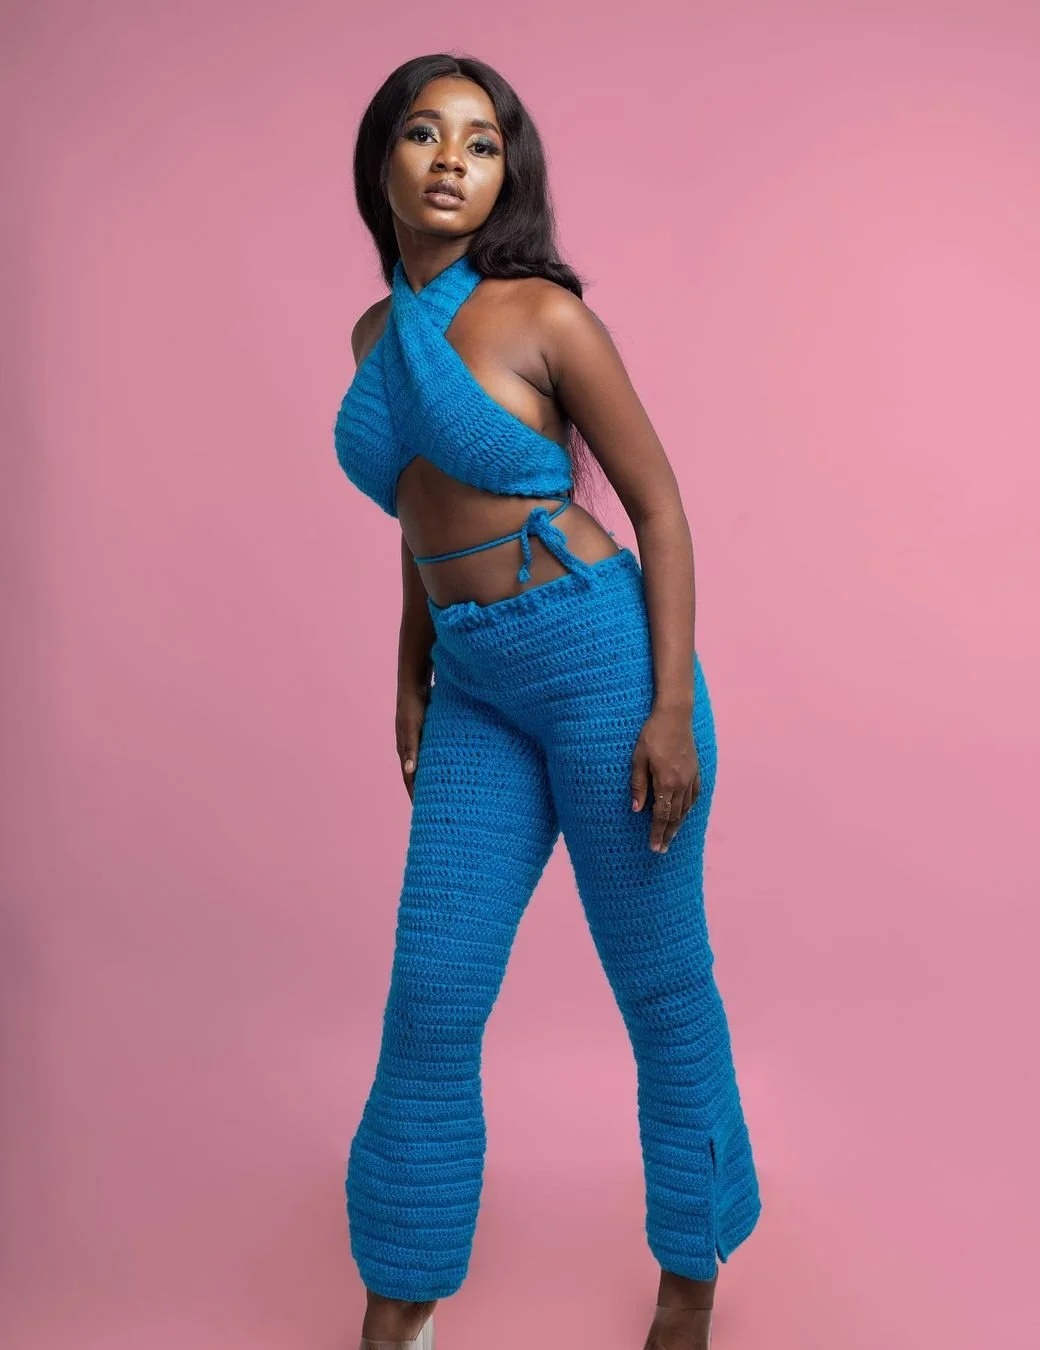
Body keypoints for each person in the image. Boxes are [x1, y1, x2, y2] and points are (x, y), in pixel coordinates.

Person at [333, 52, 762, 1350]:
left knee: (660, 985)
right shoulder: (374, 335)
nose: (452, 160)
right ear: (384, 158)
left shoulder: (545, 317)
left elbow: (662, 511)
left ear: (507, 173)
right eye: (425, 133)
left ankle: (691, 1275)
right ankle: (401, 1294)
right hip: (473, 684)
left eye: (482, 141)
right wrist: (410, 668)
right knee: (433, 991)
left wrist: (669, 711)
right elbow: (420, 518)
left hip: (598, 665)